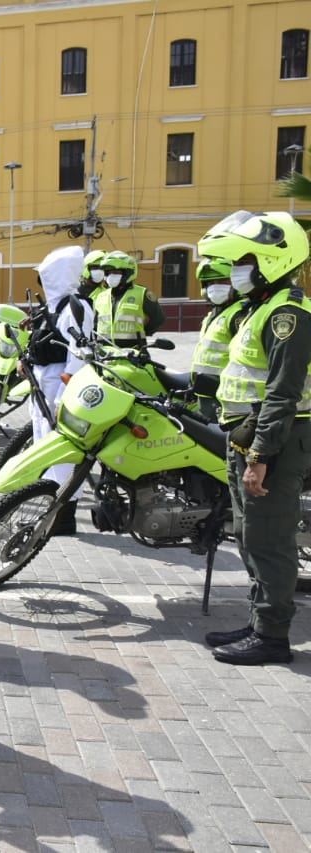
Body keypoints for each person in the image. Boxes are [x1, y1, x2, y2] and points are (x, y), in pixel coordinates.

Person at [201, 210, 311, 666]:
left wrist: (260, 455)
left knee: (269, 539)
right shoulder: (258, 308)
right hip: (247, 438)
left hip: (275, 443)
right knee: (248, 534)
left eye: (245, 261)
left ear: (272, 259)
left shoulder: (288, 314)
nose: (235, 271)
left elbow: (283, 394)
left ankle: (272, 637)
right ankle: (257, 620)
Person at [25, 246, 95, 536]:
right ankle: (51, 506)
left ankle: (64, 516)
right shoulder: (54, 306)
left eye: (46, 275)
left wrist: (63, 398)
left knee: (62, 452)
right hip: (42, 380)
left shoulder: (77, 308)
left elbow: (79, 355)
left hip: (59, 384)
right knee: (44, 445)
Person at [189, 258, 246, 424]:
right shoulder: (214, 314)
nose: (215, 286)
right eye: (210, 282)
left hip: (224, 397)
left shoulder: (240, 314)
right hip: (206, 392)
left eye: (222, 280)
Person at [92, 250, 165, 347]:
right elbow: (95, 324)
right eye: (108, 273)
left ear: (127, 272)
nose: (111, 276)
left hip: (133, 352)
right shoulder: (101, 296)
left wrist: (142, 333)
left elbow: (158, 318)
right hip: (105, 354)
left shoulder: (142, 293)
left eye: (115, 272)